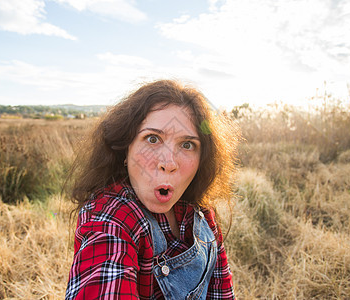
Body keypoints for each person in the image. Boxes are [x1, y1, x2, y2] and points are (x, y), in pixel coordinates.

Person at [65, 79, 238, 299]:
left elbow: (221, 292)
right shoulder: (111, 218)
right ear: (125, 150)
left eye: (187, 145)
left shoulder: (202, 214)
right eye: (153, 139)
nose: (169, 162)